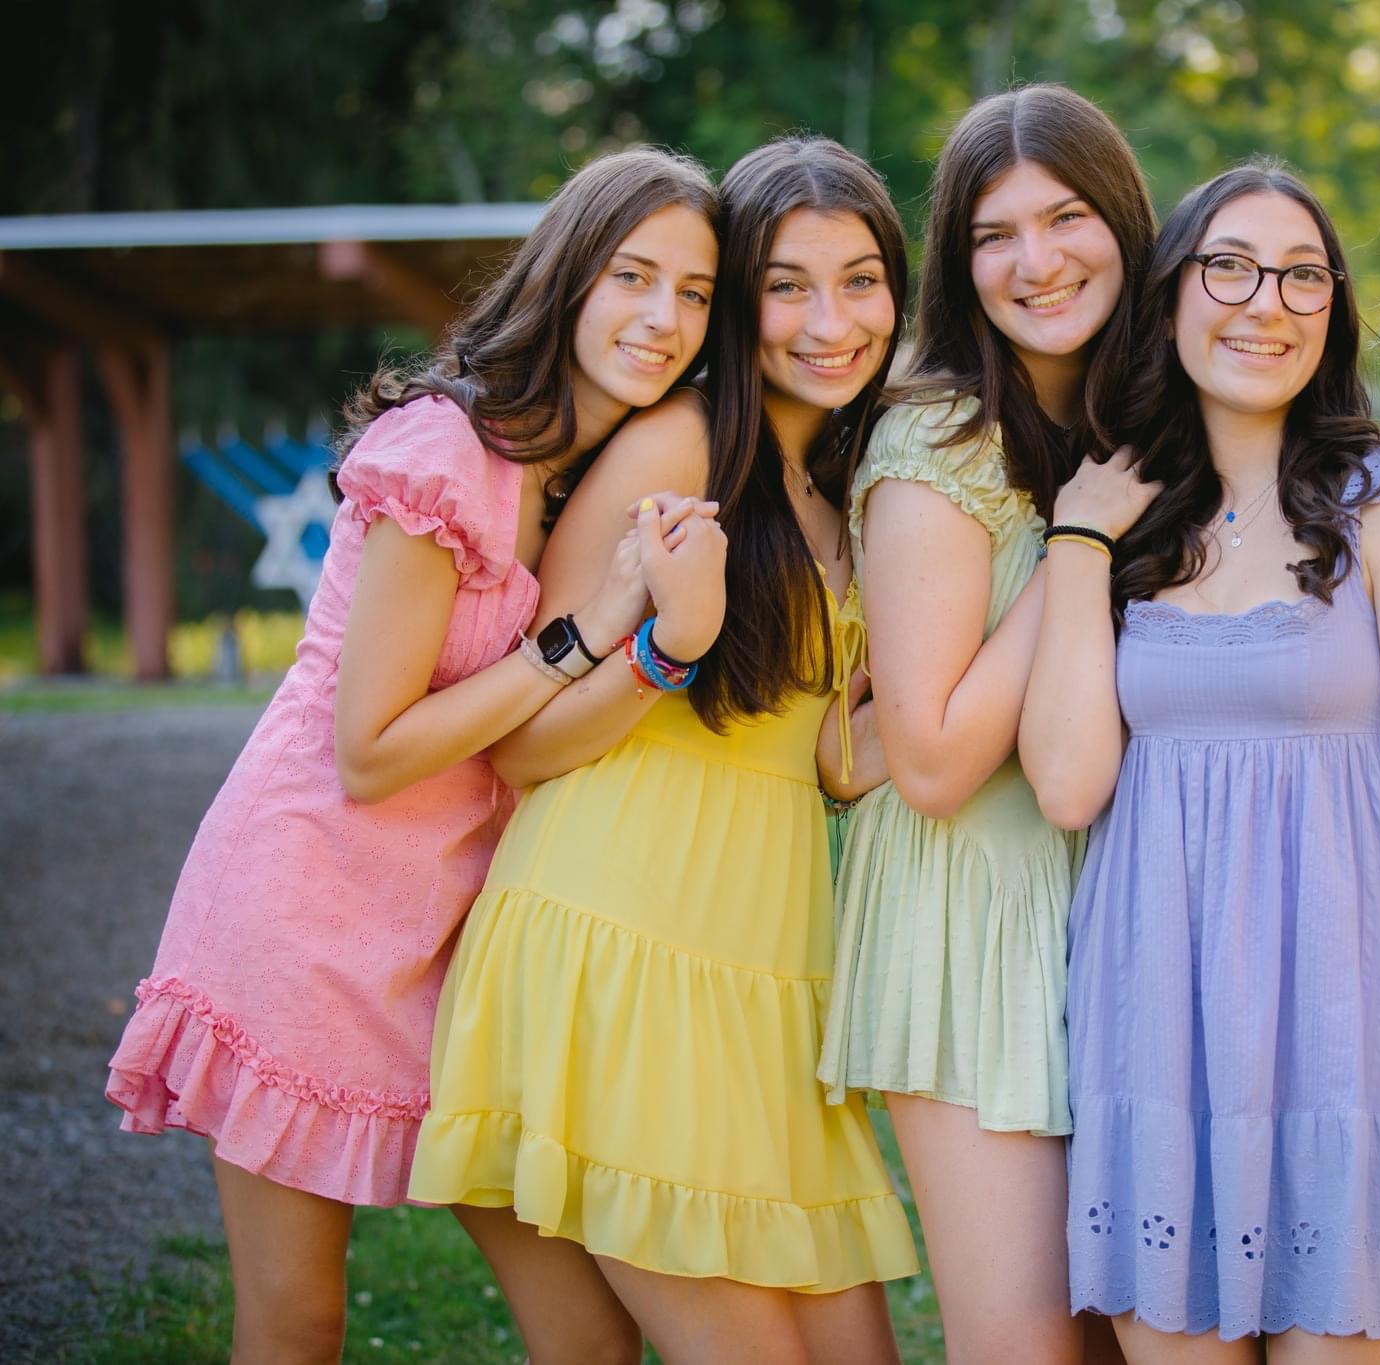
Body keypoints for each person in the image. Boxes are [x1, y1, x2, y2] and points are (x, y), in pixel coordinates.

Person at [103, 145, 719, 1365]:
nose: (660, 318)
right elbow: (370, 753)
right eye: (631, 275)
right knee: (297, 1322)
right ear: (567, 277)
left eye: (694, 293)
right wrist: (591, 628)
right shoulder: (447, 451)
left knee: (588, 1332)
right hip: (310, 907)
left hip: (452, 935)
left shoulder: (594, 475)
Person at [1023, 159, 1380, 1360]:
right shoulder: (1121, 512)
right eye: (1227, 267)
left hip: (1351, 1038)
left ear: (1332, 308)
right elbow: (1068, 784)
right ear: (1170, 298)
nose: (1262, 303)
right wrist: (1075, 545)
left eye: (1299, 276)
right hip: (1159, 1039)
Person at [407, 137, 919, 1364]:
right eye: (785, 285)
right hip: (621, 944)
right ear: (736, 298)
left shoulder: (841, 475)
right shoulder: (680, 447)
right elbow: (522, 742)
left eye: (860, 281)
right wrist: (665, 649)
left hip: (761, 980)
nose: (829, 321)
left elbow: (821, 762)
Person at [816, 84, 1156, 1361]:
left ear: (1123, 223)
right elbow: (932, 758)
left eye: (1066, 218)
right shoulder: (934, 442)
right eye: (994, 235)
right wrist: (1079, 536)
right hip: (973, 919)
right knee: (1026, 1343)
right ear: (958, 264)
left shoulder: (1140, 420)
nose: (1038, 261)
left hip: (1115, 904)